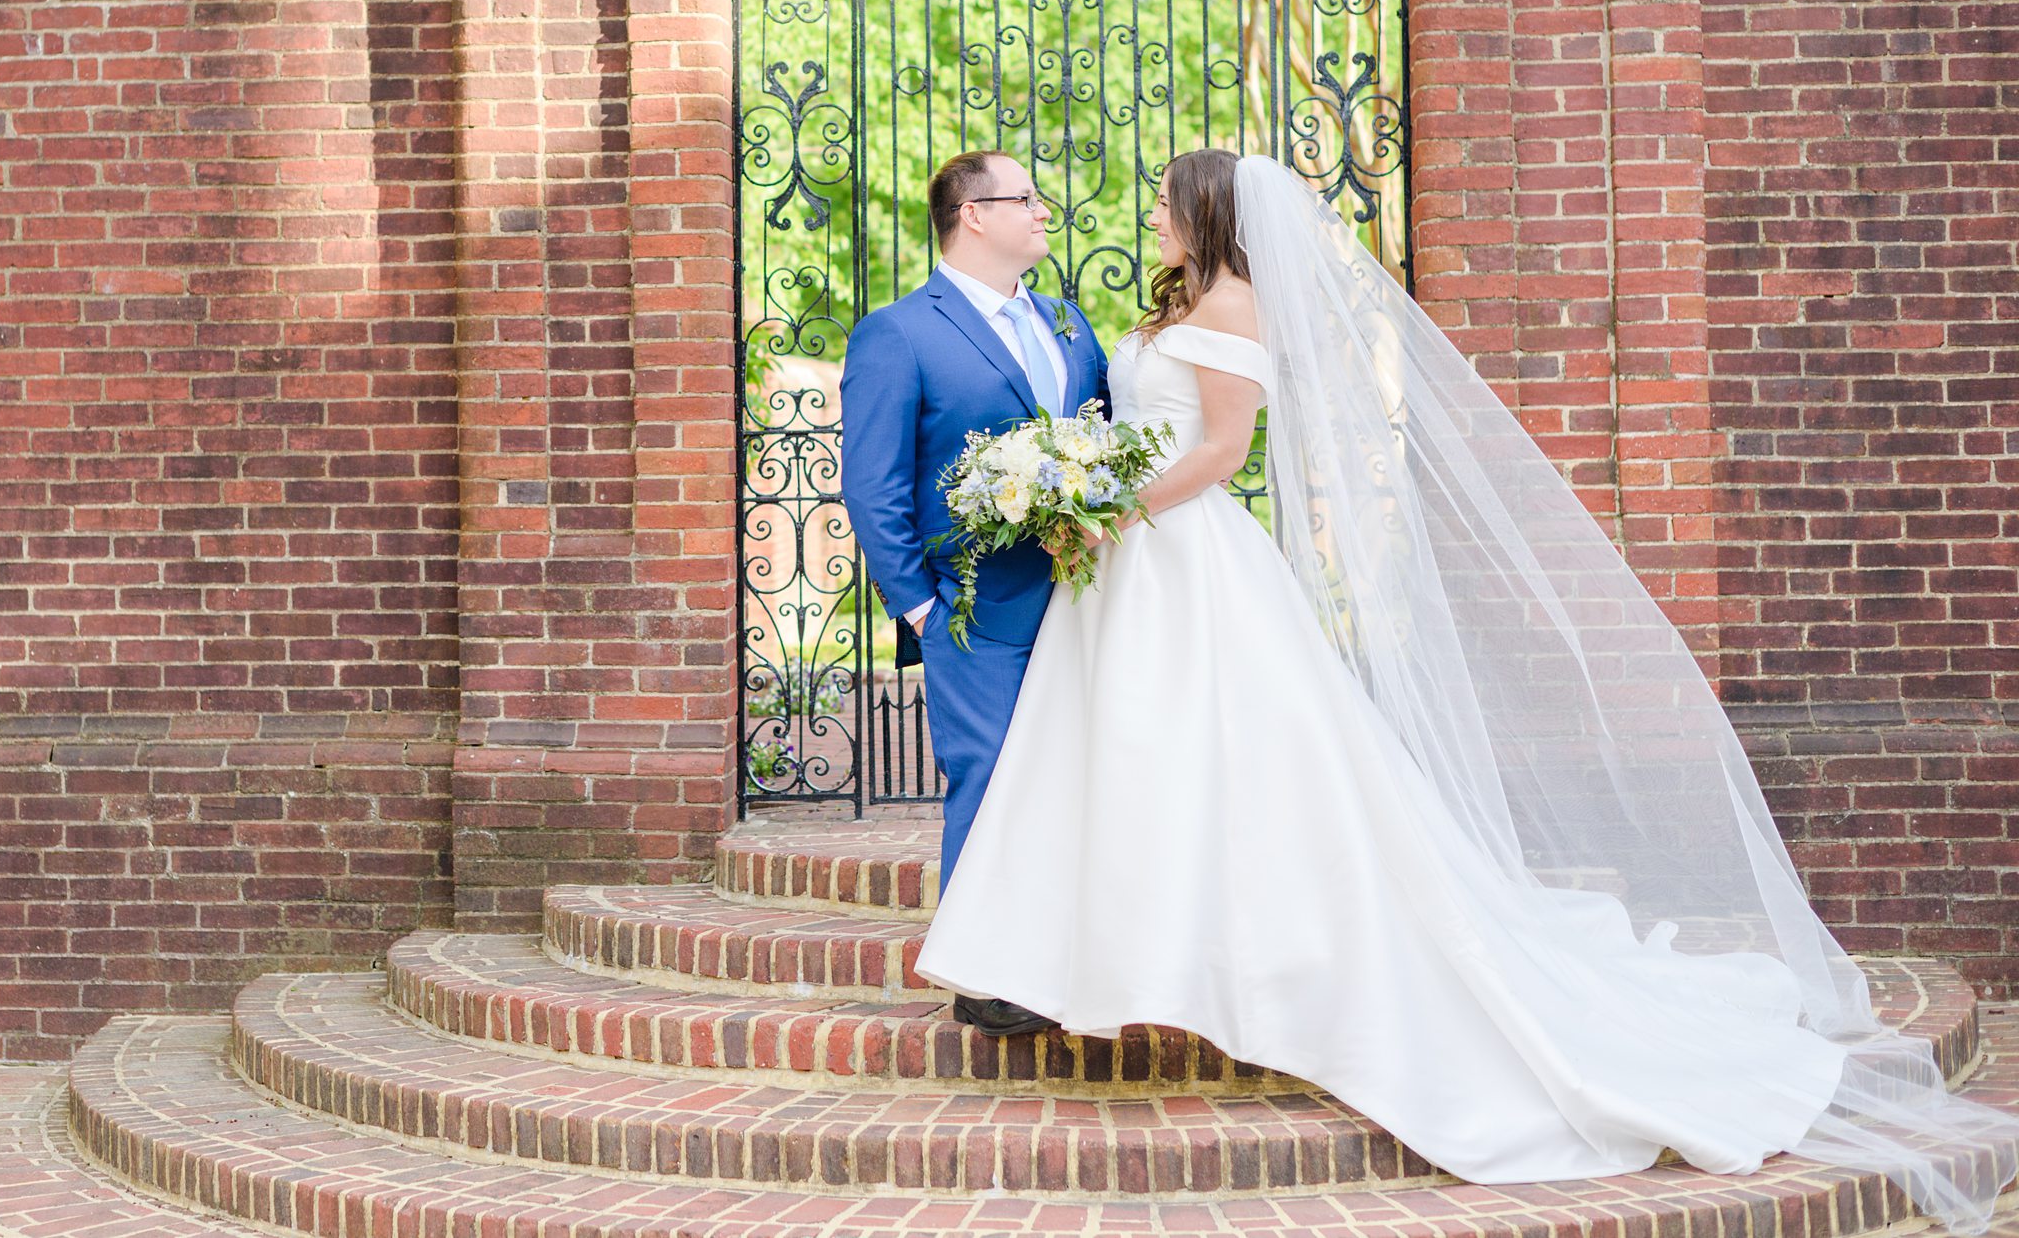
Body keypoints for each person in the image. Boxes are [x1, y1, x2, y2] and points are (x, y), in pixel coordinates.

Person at [912, 148, 2019, 1231]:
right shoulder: (1183, 302)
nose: (1152, 213)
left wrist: (1115, 507)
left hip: (1182, 553)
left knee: (1228, 755)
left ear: (1207, 214)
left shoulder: (1238, 306)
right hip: (1129, 565)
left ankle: (1249, 963)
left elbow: (1222, 453)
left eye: (1166, 201)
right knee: (1128, 755)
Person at [839, 147, 1110, 1039]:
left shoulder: (1070, 325)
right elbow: (873, 484)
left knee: (1072, 778)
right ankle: (989, 979)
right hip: (971, 609)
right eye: (1023, 197)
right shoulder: (899, 332)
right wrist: (919, 605)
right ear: (972, 215)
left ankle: (1075, 953)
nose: (1043, 210)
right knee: (988, 777)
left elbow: (1100, 439)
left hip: (1081, 599)